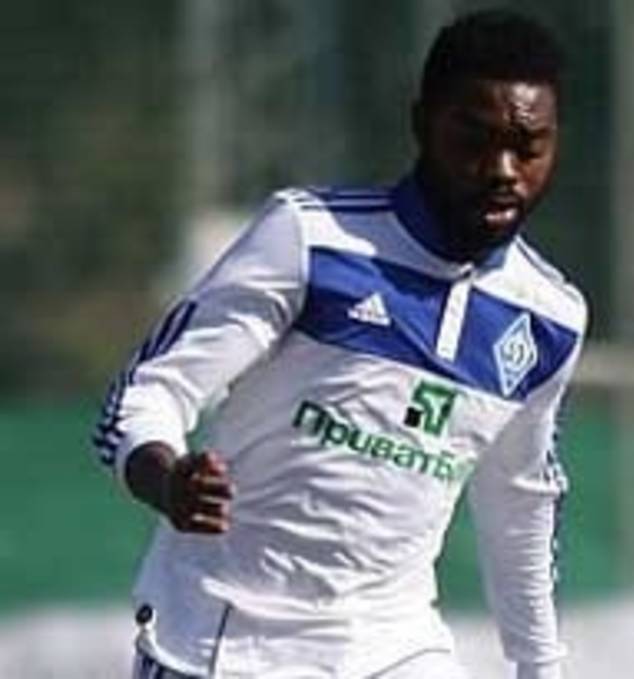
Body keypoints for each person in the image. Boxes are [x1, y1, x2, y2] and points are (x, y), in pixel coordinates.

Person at [92, 9, 587, 679]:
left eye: (527, 147)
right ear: (422, 124)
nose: (503, 170)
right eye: (474, 139)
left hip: (393, 648)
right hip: (221, 644)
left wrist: (539, 665)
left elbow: (519, 501)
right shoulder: (312, 240)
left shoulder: (548, 318)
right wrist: (167, 478)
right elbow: (146, 393)